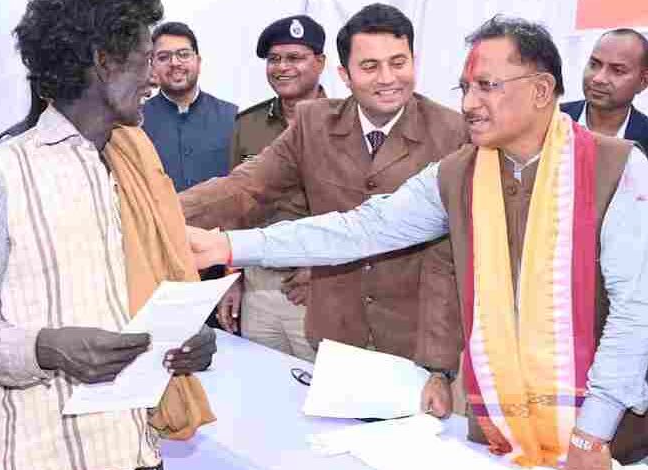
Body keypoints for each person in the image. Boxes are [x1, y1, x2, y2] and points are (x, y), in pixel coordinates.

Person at [187, 15, 648, 470]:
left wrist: (591, 433)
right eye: (465, 88)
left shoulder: (616, 168)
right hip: (505, 432)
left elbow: (633, 314)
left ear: (541, 90)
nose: (469, 104)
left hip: (614, 441)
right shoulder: (460, 172)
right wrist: (228, 246)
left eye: (487, 86)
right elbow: (361, 229)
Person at [0, 1, 217, 469]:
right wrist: (46, 349)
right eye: (145, 59)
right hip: (56, 455)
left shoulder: (134, 166)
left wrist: (188, 338)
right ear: (103, 61)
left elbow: (149, 292)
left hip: (142, 449)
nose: (153, 79)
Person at [180, 3, 468, 416]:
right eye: (370, 66)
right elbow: (245, 188)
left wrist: (440, 365)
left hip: (416, 344)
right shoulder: (314, 124)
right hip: (336, 339)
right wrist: (159, 216)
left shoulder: (453, 132)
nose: (388, 78)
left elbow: (449, 261)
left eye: (398, 62)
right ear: (345, 74)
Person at [561, 29, 648, 330]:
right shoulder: (545, 126)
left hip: (615, 315)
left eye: (617, 70)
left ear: (644, 81)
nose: (599, 78)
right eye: (594, 64)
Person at [216, 14, 327, 361]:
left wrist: (322, 273)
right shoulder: (248, 124)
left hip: (317, 287)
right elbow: (234, 205)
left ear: (320, 62)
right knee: (260, 380)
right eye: (274, 59)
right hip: (258, 286)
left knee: (318, 386)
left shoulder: (344, 122)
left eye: (295, 58)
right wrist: (233, 278)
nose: (282, 68)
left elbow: (360, 208)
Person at [143, 21, 237, 193]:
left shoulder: (232, 117)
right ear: (152, 66)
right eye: (163, 57)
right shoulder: (136, 123)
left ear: (198, 62)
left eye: (183, 55)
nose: (174, 63)